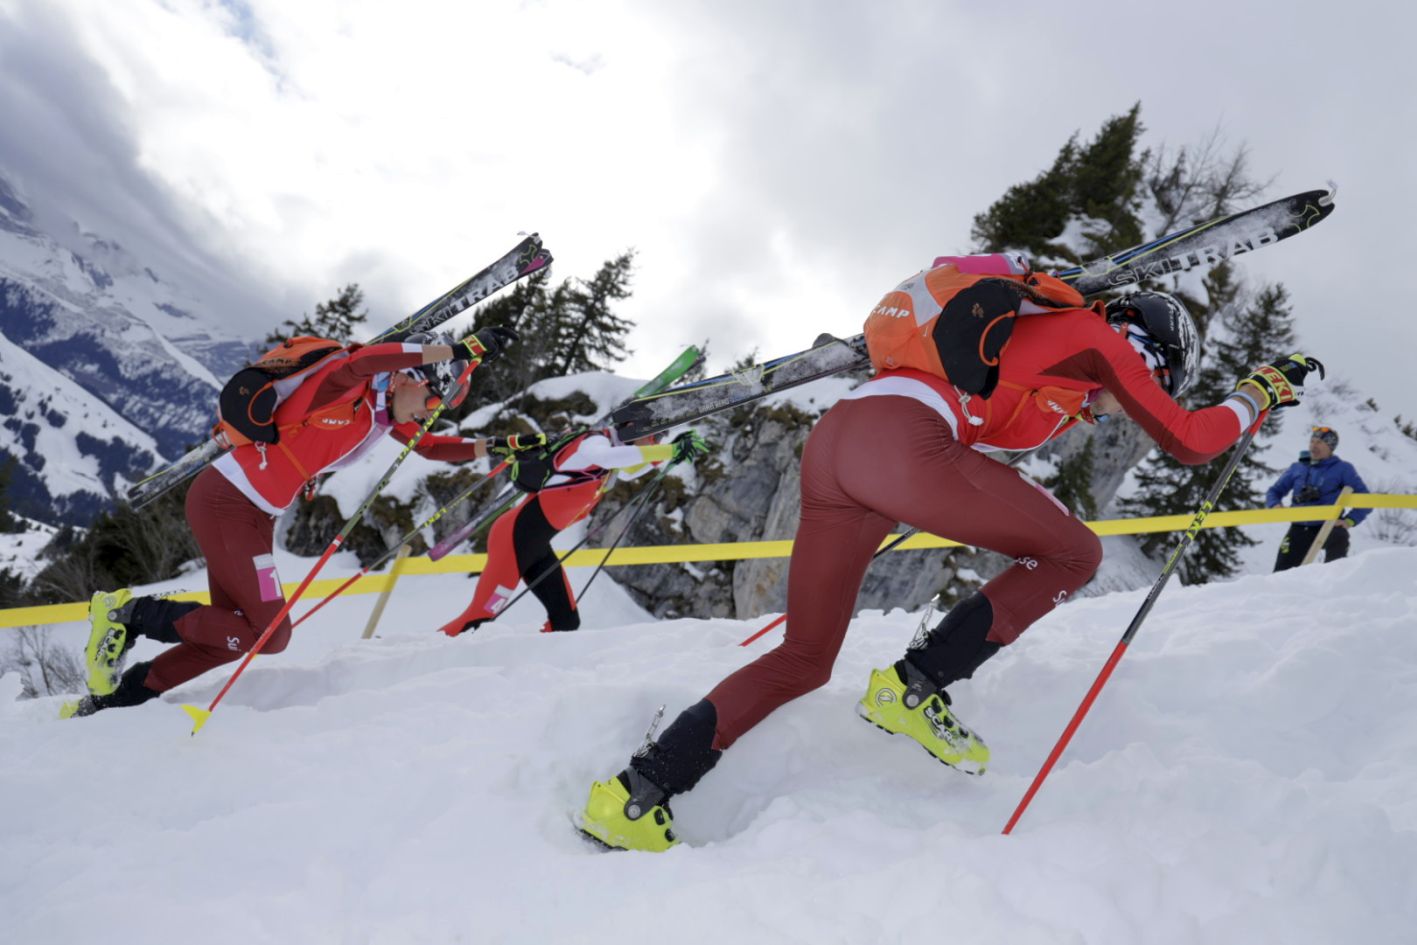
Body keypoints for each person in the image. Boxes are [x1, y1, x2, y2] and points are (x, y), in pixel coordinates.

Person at [578, 258, 1324, 852]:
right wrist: (1257, 393)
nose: (1124, 405)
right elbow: (1191, 439)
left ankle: (636, 793)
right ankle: (915, 684)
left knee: (804, 657)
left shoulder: (1032, 350)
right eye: (1154, 383)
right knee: (1073, 553)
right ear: (1148, 355)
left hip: (840, 443)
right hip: (902, 445)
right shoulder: (1097, 342)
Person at [64, 325, 520, 719]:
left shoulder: (380, 416)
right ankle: (128, 614)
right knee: (270, 632)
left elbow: (432, 447)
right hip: (227, 500)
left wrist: (502, 445)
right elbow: (366, 360)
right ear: (405, 376)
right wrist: (460, 350)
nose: (428, 412)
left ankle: (124, 699)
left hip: (256, 515)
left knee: (235, 632)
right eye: (430, 399)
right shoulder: (343, 385)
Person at [435, 427, 710, 636]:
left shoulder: (605, 468)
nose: (656, 443)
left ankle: (529, 680)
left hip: (536, 547)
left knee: (565, 622)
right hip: (513, 540)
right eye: (655, 437)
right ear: (634, 429)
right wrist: (667, 452)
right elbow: (609, 456)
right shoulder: (593, 443)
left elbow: (626, 471)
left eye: (660, 440)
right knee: (479, 618)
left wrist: (666, 453)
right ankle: (419, 658)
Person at [1267, 425, 1369, 570]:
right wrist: (1274, 504)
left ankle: (1334, 582)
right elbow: (1274, 491)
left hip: (1327, 527)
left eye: (1319, 442)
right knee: (1281, 572)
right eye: (1312, 441)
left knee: (1340, 537)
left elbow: (1365, 499)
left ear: (1330, 447)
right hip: (1298, 527)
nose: (1314, 446)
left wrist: (1349, 520)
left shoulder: (1343, 469)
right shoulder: (1298, 467)